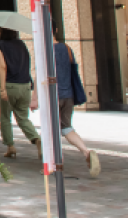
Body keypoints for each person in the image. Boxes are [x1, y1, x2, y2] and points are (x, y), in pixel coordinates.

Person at [53, 29, 101, 177]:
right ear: (55, 30)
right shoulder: (67, 48)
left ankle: (56, 164)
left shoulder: (46, 50)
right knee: (67, 128)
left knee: (52, 130)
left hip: (53, 95)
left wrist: (35, 97)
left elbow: (41, 75)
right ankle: (86, 151)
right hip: (69, 95)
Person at [0, 28, 41, 158]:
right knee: (23, 118)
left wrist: (2, 88)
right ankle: (36, 138)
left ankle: (10, 146)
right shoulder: (21, 44)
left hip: (10, 85)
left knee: (5, 117)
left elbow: (2, 66)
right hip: (25, 85)